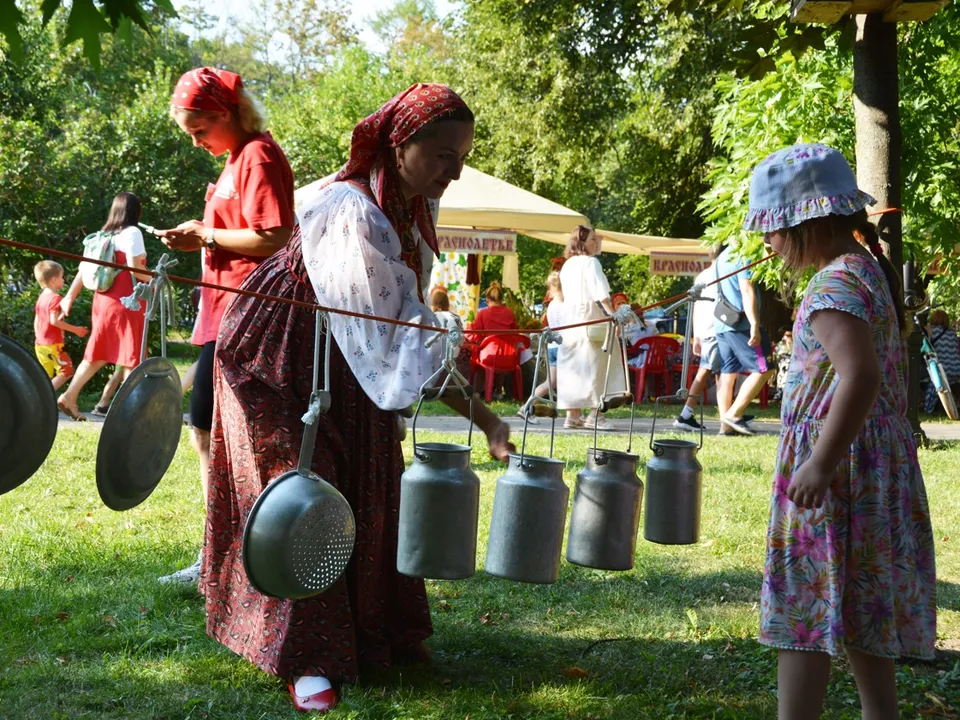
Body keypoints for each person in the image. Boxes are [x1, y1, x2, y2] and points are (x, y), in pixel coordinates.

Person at [200, 84, 514, 713]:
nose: (454, 170)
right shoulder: (352, 210)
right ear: (399, 148)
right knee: (302, 491)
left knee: (371, 485)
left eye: (462, 157)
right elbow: (395, 334)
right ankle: (308, 659)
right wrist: (485, 417)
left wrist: (481, 419)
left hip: (346, 356)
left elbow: (396, 330)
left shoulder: (410, 212)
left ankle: (377, 632)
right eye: (443, 155)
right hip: (275, 360)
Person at [746, 143, 935, 720]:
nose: (768, 241)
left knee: (804, 610)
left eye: (774, 228)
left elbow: (861, 376)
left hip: (838, 470)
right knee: (859, 605)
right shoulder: (863, 269)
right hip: (870, 463)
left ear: (807, 221)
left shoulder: (833, 286)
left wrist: (821, 462)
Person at [156, 67, 295, 586]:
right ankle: (221, 551)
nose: (195, 143)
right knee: (205, 429)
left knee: (228, 436)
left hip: (249, 316)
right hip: (224, 311)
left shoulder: (258, 154)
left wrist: (206, 235)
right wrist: (201, 236)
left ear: (225, 114)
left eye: (198, 131)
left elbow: (275, 236)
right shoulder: (238, 158)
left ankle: (233, 556)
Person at [58, 193, 151, 420]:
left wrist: (69, 297)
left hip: (102, 302)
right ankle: (131, 412)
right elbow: (135, 269)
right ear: (135, 212)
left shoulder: (101, 235)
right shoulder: (132, 233)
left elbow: (83, 270)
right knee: (132, 355)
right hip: (126, 302)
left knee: (98, 352)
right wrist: (155, 279)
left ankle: (69, 396)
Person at [557, 225, 625, 430]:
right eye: (593, 239)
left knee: (574, 367)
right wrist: (613, 317)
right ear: (583, 243)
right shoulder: (590, 262)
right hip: (591, 319)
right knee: (597, 366)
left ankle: (572, 416)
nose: (596, 242)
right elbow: (601, 294)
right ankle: (595, 416)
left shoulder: (568, 265)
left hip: (570, 322)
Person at [713, 241, 775, 435]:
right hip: (742, 324)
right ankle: (733, 414)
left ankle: (725, 426)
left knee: (727, 372)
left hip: (723, 323)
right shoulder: (743, 255)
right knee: (765, 368)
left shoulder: (722, 257)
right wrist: (755, 324)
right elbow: (747, 290)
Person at [673, 246, 725, 433]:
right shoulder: (720, 274)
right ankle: (686, 415)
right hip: (716, 328)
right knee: (709, 370)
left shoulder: (702, 275)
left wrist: (696, 334)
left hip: (707, 329)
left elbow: (694, 307)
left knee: (721, 372)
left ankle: (727, 415)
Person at [466, 281, 528, 400]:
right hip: (509, 357)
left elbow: (473, 332)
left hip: (489, 356)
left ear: (488, 299)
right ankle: (499, 391)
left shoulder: (483, 313)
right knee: (501, 361)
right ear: (501, 299)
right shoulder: (509, 313)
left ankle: (478, 392)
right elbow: (515, 331)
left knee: (481, 361)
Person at [32, 261, 88, 391]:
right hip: (53, 345)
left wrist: (39, 337)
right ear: (54, 280)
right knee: (66, 371)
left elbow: (37, 320)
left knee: (45, 376)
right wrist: (76, 330)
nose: (63, 280)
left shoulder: (41, 298)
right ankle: (46, 397)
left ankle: (37, 400)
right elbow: (55, 321)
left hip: (40, 345)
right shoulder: (55, 298)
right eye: (62, 277)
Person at [518, 271, 564, 422]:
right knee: (572, 379)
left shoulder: (551, 305)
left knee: (551, 382)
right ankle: (576, 414)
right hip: (563, 345)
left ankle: (527, 407)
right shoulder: (565, 304)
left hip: (552, 346)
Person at [923, 309, 960, 413]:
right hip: (956, 368)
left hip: (943, 369)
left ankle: (928, 409)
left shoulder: (931, 330)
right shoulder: (952, 333)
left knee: (934, 383)